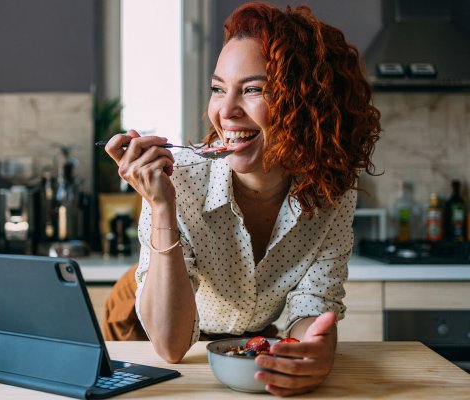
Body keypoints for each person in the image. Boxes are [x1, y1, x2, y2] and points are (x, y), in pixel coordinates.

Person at [104, 2, 380, 396]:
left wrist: (317, 349)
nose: (225, 112)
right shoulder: (179, 180)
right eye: (218, 89)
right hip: (149, 321)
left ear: (308, 104)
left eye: (252, 90)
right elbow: (170, 346)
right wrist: (161, 206)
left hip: (244, 340)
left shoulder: (331, 192)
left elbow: (312, 305)